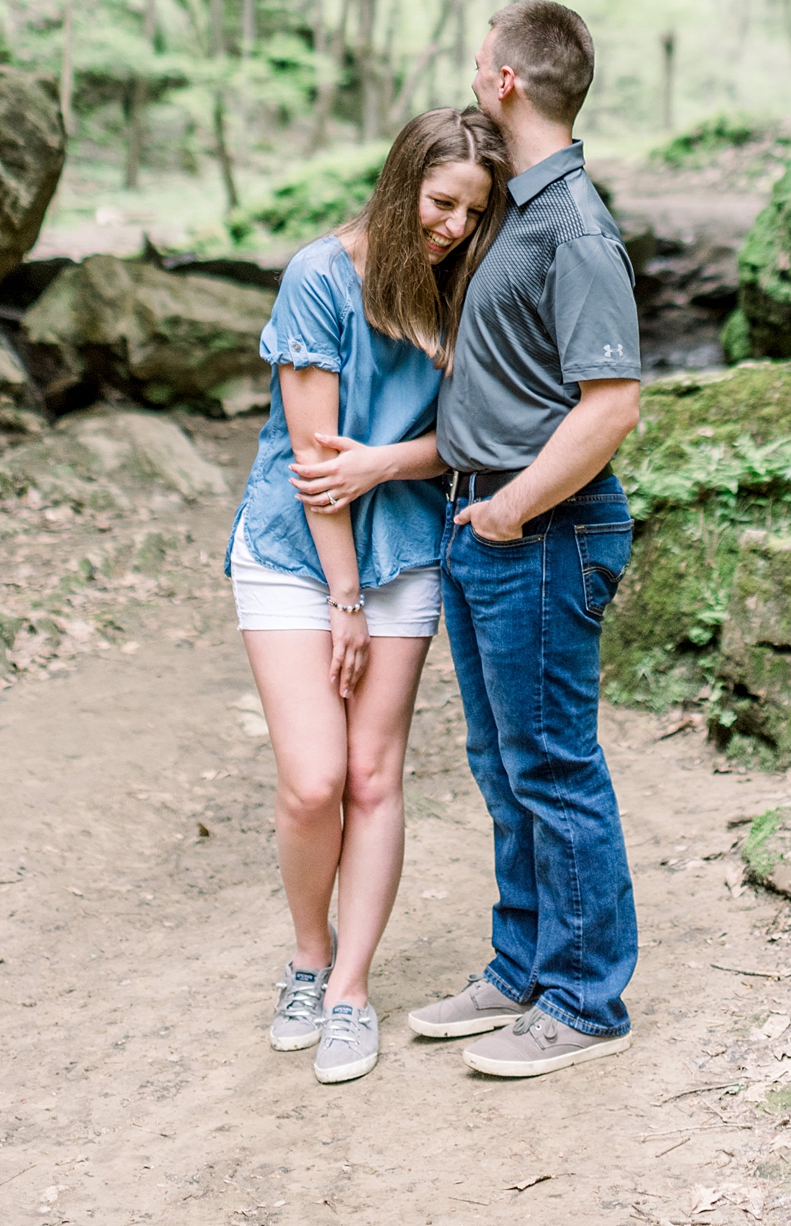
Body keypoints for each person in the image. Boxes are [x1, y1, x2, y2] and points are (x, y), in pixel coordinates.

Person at [228, 106, 510, 1086]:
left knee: (374, 774)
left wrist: (389, 461)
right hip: (294, 552)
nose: (453, 228)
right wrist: (342, 598)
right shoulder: (320, 276)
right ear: (402, 186)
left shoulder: (459, 286)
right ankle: (308, 957)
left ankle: (351, 988)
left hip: (407, 552)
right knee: (313, 781)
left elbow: (473, 438)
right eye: (441, 204)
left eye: (472, 213)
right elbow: (316, 466)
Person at [406, 1, 643, 1078]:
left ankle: (587, 999)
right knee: (505, 768)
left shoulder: (575, 225)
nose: (470, 74)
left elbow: (610, 405)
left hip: (539, 530)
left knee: (552, 766)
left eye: (475, 60)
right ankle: (522, 967)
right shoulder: (515, 210)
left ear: (505, 79)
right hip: (481, 519)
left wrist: (512, 509)